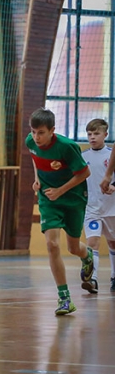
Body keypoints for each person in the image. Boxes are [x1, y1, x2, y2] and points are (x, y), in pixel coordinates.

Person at [27, 108, 94, 315]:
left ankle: (87, 256)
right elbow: (35, 157)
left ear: (52, 130)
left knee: (73, 247)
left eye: (41, 133)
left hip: (73, 199)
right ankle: (65, 298)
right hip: (49, 198)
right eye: (33, 132)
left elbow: (85, 173)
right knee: (52, 244)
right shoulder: (31, 142)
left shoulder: (67, 147)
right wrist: (37, 178)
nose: (36, 137)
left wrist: (60, 191)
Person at [80, 118, 115, 293]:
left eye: (96, 133)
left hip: (111, 207)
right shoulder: (82, 157)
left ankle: (114, 276)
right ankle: (92, 279)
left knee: (113, 243)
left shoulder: (111, 155)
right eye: (89, 134)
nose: (92, 137)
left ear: (105, 134)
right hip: (91, 208)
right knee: (92, 242)